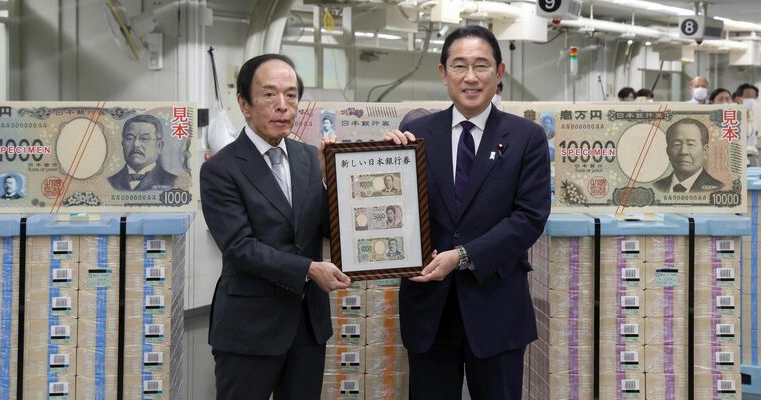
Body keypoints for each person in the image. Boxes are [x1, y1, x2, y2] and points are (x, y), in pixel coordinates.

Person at [385, 25, 551, 400]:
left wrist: (461, 257)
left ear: (500, 73)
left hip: (496, 307)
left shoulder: (526, 137)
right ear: (443, 73)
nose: (471, 77)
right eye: (459, 66)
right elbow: (395, 211)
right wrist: (386, 161)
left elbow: (528, 219)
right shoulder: (414, 134)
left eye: (481, 66)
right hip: (430, 311)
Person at [200, 54, 351, 400]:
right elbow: (240, 248)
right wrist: (309, 269)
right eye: (269, 95)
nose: (282, 105)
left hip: (307, 326)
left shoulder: (307, 158)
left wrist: (341, 182)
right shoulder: (221, 170)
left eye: (292, 94)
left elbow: (328, 228)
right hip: (249, 327)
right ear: (244, 103)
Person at [652, 118, 723, 193]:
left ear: (705, 150)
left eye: (690, 144)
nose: (683, 152)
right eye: (677, 145)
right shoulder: (656, 187)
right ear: (668, 151)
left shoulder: (719, 189)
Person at [108, 114, 178, 191]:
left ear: (159, 146)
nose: (136, 144)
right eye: (129, 138)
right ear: (123, 144)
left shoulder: (175, 183)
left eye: (144, 138)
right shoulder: (107, 183)